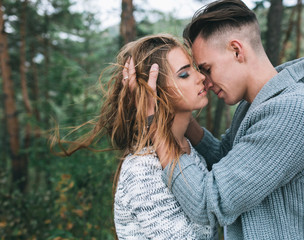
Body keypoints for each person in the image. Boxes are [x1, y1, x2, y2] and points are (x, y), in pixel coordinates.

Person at [125, 0, 304, 239]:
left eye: (207, 68)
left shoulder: (294, 111)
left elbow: (208, 203)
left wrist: (158, 131)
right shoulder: (256, 103)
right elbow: (227, 159)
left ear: (237, 50)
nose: (205, 80)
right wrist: (171, 110)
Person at [51, 34, 217, 239]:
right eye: (184, 74)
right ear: (155, 91)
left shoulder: (190, 150)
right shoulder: (143, 168)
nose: (201, 77)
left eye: (195, 68)